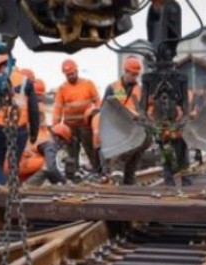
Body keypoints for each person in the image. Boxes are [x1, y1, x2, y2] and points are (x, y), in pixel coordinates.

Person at [103, 57, 152, 185]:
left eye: (137, 75)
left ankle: (118, 185)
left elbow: (147, 112)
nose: (135, 77)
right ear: (125, 71)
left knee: (120, 158)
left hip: (137, 132)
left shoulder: (141, 91)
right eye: (133, 74)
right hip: (121, 132)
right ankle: (123, 188)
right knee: (126, 165)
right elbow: (104, 110)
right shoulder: (113, 88)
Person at [0, 55, 39, 185]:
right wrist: (34, 133)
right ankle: (11, 188)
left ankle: (0, 186)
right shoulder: (26, 82)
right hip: (19, 130)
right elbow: (34, 110)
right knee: (14, 163)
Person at [52, 59, 101, 180]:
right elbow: (57, 109)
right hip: (70, 127)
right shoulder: (62, 89)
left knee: (91, 150)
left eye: (72, 73)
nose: (70, 76)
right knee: (72, 153)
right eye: (68, 75)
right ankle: (73, 177)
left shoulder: (88, 84)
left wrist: (97, 118)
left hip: (86, 125)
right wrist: (55, 127)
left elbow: (98, 102)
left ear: (77, 71)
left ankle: (98, 173)